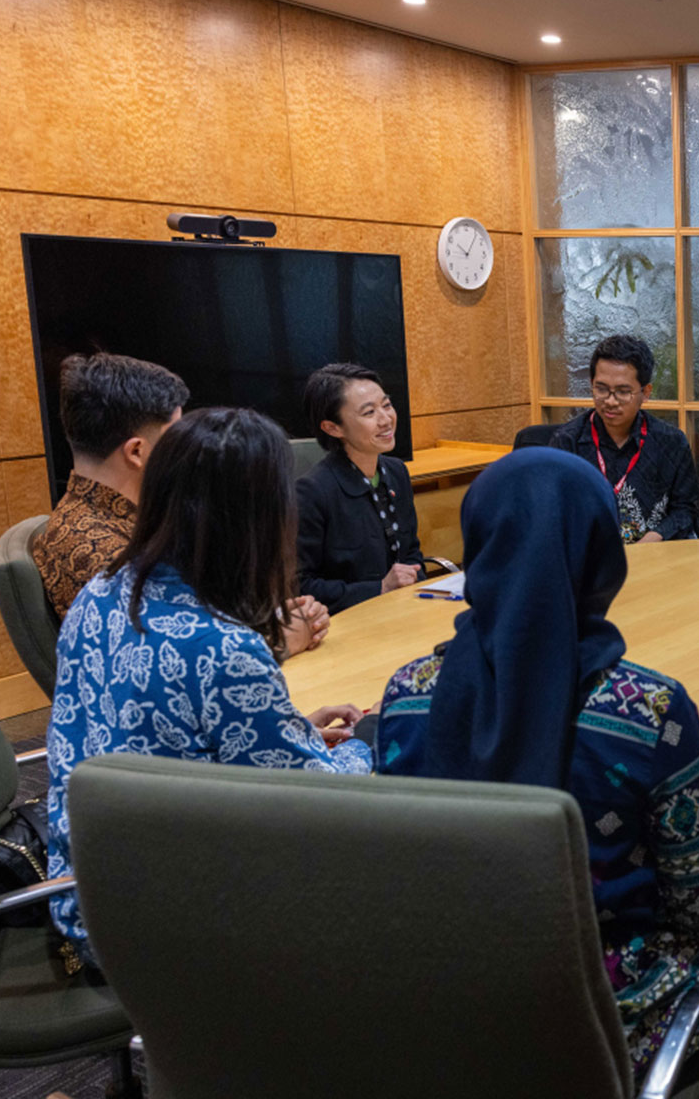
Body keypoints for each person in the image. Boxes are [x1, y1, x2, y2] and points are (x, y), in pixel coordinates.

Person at [372, 449, 699, 1079]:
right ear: (601, 552)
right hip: (599, 1010)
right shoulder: (651, 711)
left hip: (438, 999)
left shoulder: (405, 694)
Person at [46, 408, 371, 971]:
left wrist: (288, 729)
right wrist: (376, 734)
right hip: (163, 925)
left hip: (84, 886)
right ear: (261, 516)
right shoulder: (224, 647)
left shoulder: (100, 592)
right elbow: (320, 802)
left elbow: (167, 737)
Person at [33, 352, 328, 656]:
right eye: (178, 437)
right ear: (136, 452)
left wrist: (270, 620)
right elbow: (166, 656)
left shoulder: (132, 516)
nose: (190, 448)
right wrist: (278, 640)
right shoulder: (98, 552)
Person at [295, 363, 425, 613]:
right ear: (333, 428)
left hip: (403, 612)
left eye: (386, 405)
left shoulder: (397, 471)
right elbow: (300, 587)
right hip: (346, 624)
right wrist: (380, 588)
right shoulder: (312, 491)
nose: (386, 420)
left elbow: (412, 553)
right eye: (369, 413)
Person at [547, 334, 698, 543]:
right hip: (590, 559)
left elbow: (685, 510)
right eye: (601, 389)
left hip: (654, 557)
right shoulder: (567, 443)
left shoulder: (671, 442)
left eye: (623, 392)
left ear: (645, 393)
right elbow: (553, 511)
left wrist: (655, 538)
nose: (610, 401)